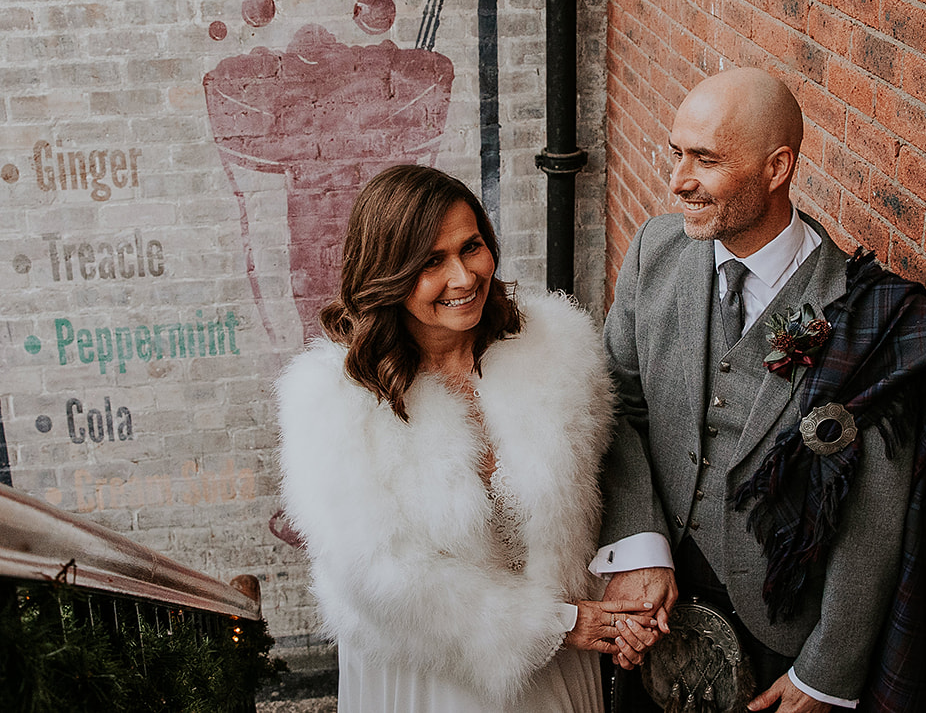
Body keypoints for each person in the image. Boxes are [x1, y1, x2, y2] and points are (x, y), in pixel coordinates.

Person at [595, 68, 926, 712]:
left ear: (777, 168)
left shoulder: (862, 316)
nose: (679, 180)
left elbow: (873, 513)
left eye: (706, 160)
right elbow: (616, 407)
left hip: (780, 638)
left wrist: (823, 673)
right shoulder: (654, 251)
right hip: (656, 605)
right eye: (675, 153)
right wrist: (638, 545)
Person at [278, 164, 657, 713]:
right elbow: (378, 574)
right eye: (432, 262)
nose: (463, 277)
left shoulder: (557, 348)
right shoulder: (332, 400)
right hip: (430, 673)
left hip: (562, 659)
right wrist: (553, 624)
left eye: (471, 246)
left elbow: (611, 471)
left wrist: (624, 596)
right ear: (388, 272)